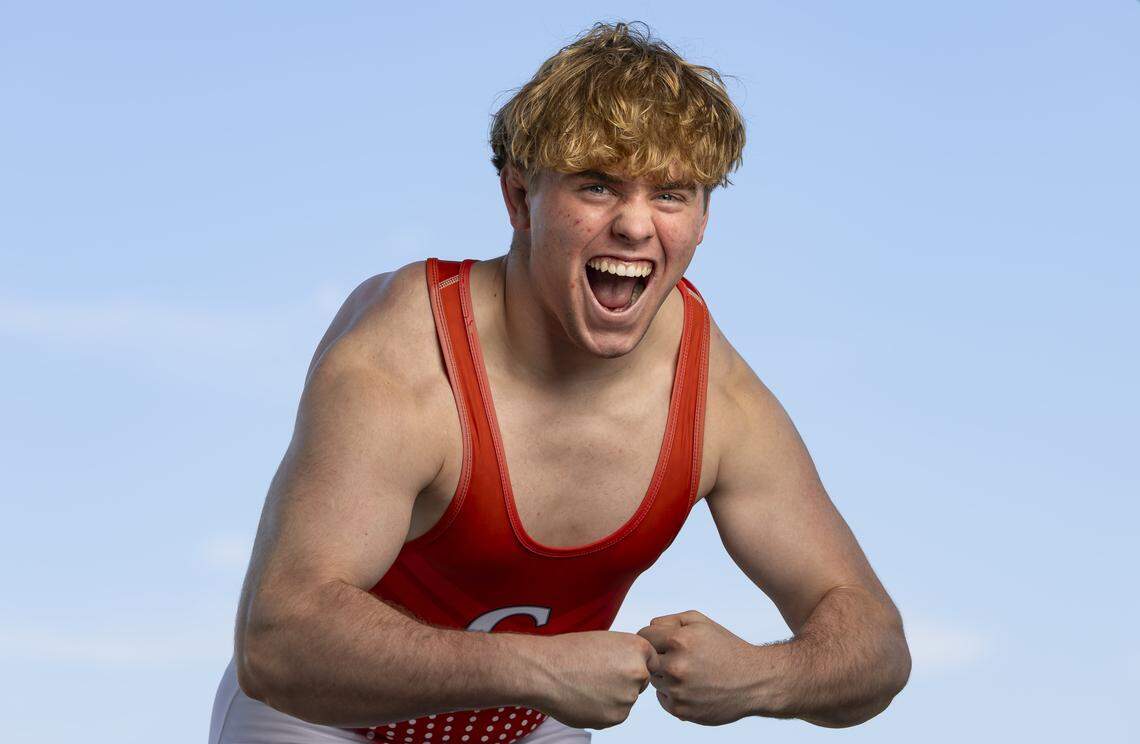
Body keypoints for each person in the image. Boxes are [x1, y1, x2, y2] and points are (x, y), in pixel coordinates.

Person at [208, 20, 910, 744]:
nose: (636, 226)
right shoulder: (404, 360)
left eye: (672, 193)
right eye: (598, 185)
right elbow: (279, 642)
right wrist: (537, 670)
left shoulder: (718, 403)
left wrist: (763, 677)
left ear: (703, 219)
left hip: (525, 724)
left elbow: (877, 650)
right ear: (518, 200)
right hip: (321, 716)